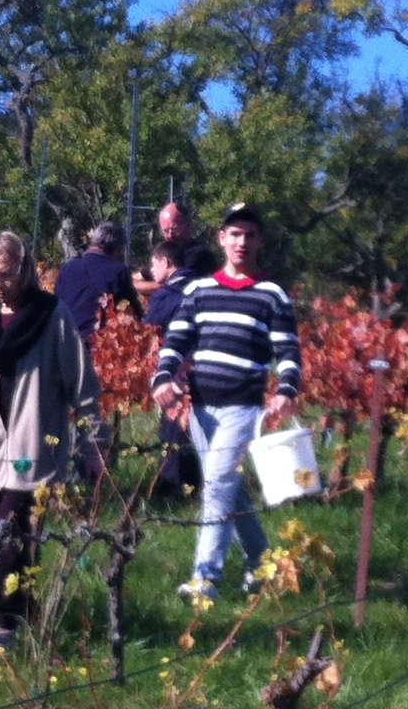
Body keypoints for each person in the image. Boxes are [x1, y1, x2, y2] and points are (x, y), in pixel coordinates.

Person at [0, 231, 102, 654]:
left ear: (24, 269)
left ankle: (3, 627)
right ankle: (29, 615)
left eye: (7, 274)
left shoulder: (52, 317)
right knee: (11, 546)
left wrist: (94, 444)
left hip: (32, 452)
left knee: (8, 537)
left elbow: (82, 386)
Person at [149, 203, 301, 605]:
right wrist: (163, 376)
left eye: (249, 235)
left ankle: (205, 581)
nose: (241, 242)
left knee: (217, 485)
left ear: (260, 241)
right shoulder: (199, 290)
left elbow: (288, 349)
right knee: (229, 490)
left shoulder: (272, 294)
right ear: (221, 239)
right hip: (200, 409)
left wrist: (287, 388)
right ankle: (263, 563)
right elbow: (176, 340)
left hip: (243, 407)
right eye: (234, 234)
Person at [143, 240, 201, 498]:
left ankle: (173, 485)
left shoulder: (166, 295)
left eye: (153, 263)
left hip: (175, 367)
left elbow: (151, 328)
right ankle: (195, 481)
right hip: (202, 365)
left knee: (173, 426)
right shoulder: (202, 287)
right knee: (195, 426)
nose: (151, 270)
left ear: (166, 263)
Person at [54, 221, 144, 344]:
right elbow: (135, 312)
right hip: (97, 345)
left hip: (63, 341)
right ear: (118, 249)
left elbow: (56, 305)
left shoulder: (68, 268)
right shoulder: (118, 271)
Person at [136, 202, 216, 293]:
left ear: (188, 225)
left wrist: (136, 286)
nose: (170, 235)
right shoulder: (167, 253)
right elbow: (141, 275)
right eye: (165, 231)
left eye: (174, 229)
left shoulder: (199, 255)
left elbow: (172, 285)